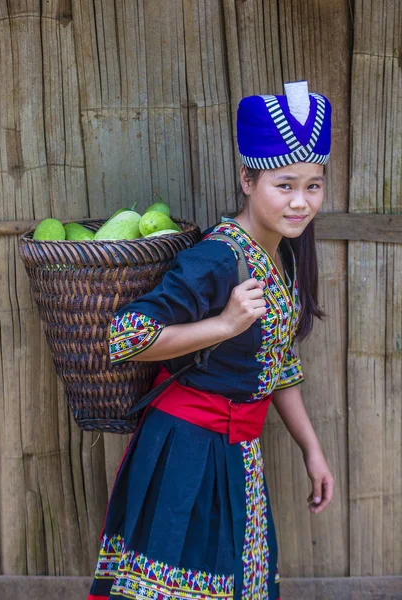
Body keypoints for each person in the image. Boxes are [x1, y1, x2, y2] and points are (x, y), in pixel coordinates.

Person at [88, 80, 335, 600]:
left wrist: (312, 450)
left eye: (313, 186)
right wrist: (223, 326)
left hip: (238, 453)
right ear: (248, 179)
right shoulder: (218, 258)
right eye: (285, 185)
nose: (300, 202)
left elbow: (277, 364)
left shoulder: (281, 254)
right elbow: (126, 336)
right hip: (185, 452)